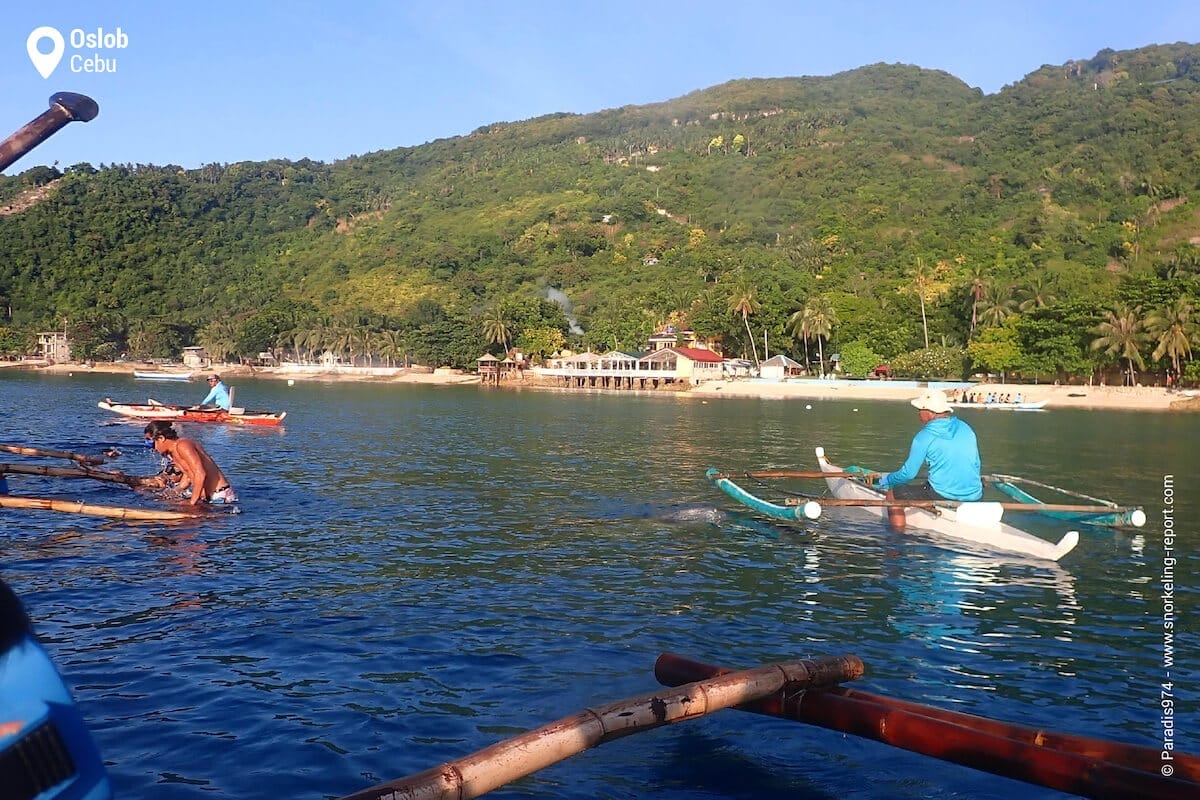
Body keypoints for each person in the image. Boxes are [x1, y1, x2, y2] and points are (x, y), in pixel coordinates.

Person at [873, 390, 983, 502]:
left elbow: (908, 474)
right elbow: (977, 463)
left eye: (920, 409)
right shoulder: (965, 427)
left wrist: (888, 479)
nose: (918, 413)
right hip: (975, 493)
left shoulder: (924, 437)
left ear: (930, 412)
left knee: (892, 495)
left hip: (942, 494)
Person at [143, 420, 238, 505]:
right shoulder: (173, 453)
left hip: (220, 498)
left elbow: (200, 474)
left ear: (161, 438)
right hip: (207, 499)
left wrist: (192, 502)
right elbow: (188, 477)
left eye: (152, 444)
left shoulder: (183, 445)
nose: (154, 449)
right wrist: (171, 493)